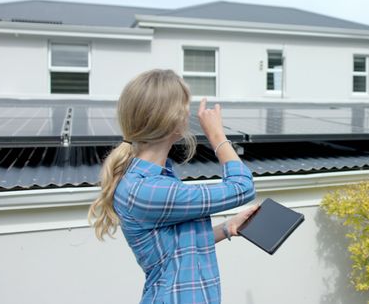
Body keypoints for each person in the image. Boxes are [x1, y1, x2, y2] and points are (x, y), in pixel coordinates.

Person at [88, 69, 257, 304]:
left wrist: (228, 228)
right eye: (185, 107)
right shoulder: (147, 190)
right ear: (172, 119)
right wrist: (217, 134)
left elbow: (178, 249)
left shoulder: (156, 180)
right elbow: (242, 187)